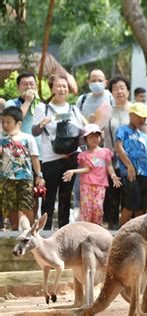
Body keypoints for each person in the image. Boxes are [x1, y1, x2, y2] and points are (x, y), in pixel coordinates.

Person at [32, 74, 85, 230]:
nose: (62, 89)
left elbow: (81, 135)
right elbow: (34, 132)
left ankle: (64, 231)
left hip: (71, 158)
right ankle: (45, 231)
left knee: (65, 197)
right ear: (51, 88)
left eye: (65, 86)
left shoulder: (73, 109)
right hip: (51, 159)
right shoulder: (43, 108)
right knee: (49, 198)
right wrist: (42, 123)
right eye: (58, 86)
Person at [62, 124, 121, 225]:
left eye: (97, 136)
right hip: (86, 184)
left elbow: (109, 166)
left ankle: (96, 228)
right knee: (87, 209)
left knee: (98, 208)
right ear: (86, 139)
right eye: (91, 137)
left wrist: (113, 176)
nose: (94, 139)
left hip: (100, 185)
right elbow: (87, 169)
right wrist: (73, 171)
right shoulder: (84, 155)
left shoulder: (105, 152)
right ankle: (85, 230)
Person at [0, 107, 44, 230]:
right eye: (3, 122)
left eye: (8, 122)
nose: (5, 125)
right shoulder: (2, 140)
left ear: (18, 123)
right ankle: (15, 232)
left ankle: (31, 231)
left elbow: (35, 158)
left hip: (25, 179)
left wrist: (39, 175)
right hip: (7, 180)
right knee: (11, 208)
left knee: (27, 206)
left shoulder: (28, 138)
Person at [115, 102, 147, 226]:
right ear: (131, 115)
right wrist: (129, 165)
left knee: (141, 205)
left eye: (144, 117)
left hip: (145, 173)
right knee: (131, 203)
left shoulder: (143, 135)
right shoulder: (122, 130)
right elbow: (118, 147)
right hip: (130, 172)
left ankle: (138, 232)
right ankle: (119, 233)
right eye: (139, 116)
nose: (142, 120)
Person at [103, 75, 131, 229]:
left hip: (132, 161)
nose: (119, 91)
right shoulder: (107, 111)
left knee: (130, 198)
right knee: (112, 197)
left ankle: (127, 229)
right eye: (115, 88)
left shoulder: (134, 109)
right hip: (111, 161)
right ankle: (112, 228)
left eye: (122, 87)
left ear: (127, 90)